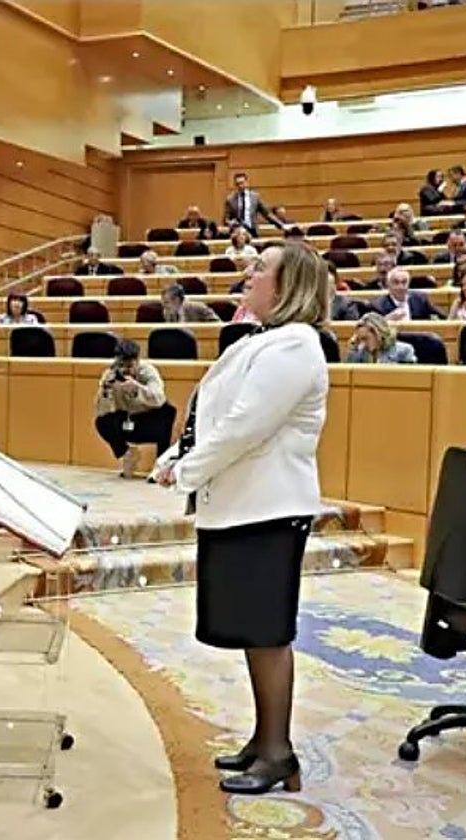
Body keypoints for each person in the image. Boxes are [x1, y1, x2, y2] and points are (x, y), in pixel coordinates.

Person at [153, 241, 330, 796]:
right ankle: (262, 739)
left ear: (288, 285)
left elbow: (243, 428)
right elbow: (211, 413)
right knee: (255, 631)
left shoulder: (296, 346)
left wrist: (186, 473)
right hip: (242, 507)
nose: (250, 273)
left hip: (269, 511)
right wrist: (175, 456)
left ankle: (279, 753)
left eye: (262, 267)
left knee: (268, 633)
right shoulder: (262, 340)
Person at [94, 340, 175, 478]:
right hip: (127, 420)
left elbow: (159, 399)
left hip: (149, 421)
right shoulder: (110, 374)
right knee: (102, 422)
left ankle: (161, 465)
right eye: (122, 366)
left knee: (168, 411)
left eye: (130, 366)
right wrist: (105, 392)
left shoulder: (148, 372)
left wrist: (138, 388)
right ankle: (126, 452)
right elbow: (101, 411)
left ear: (137, 360)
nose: (127, 371)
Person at [346, 312, 417, 364]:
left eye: (365, 338)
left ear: (378, 334)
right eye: (360, 339)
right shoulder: (360, 353)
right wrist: (353, 347)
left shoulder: (404, 351)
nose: (363, 343)